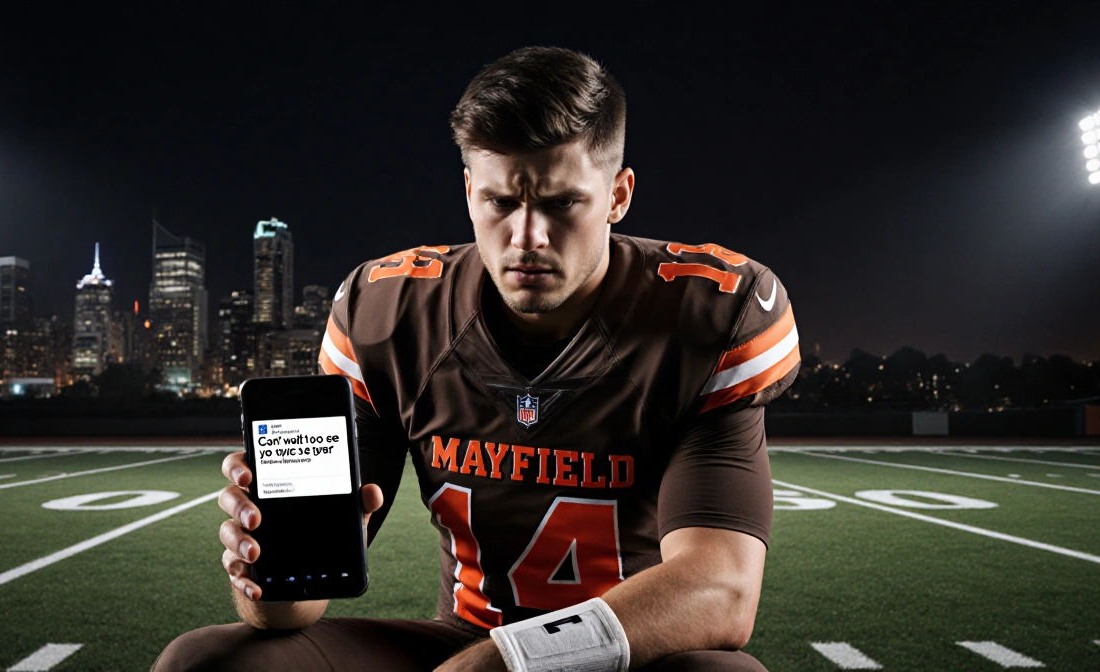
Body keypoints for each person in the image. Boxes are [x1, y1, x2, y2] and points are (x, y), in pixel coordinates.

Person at [154, 45, 799, 672]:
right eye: (500, 202)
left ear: (618, 195)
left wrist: (509, 662)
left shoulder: (705, 315)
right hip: (465, 638)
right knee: (204, 661)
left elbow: (721, 591)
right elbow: (293, 611)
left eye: (560, 202)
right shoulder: (390, 313)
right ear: (469, 192)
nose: (527, 237)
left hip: (632, 653)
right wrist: (264, 570)